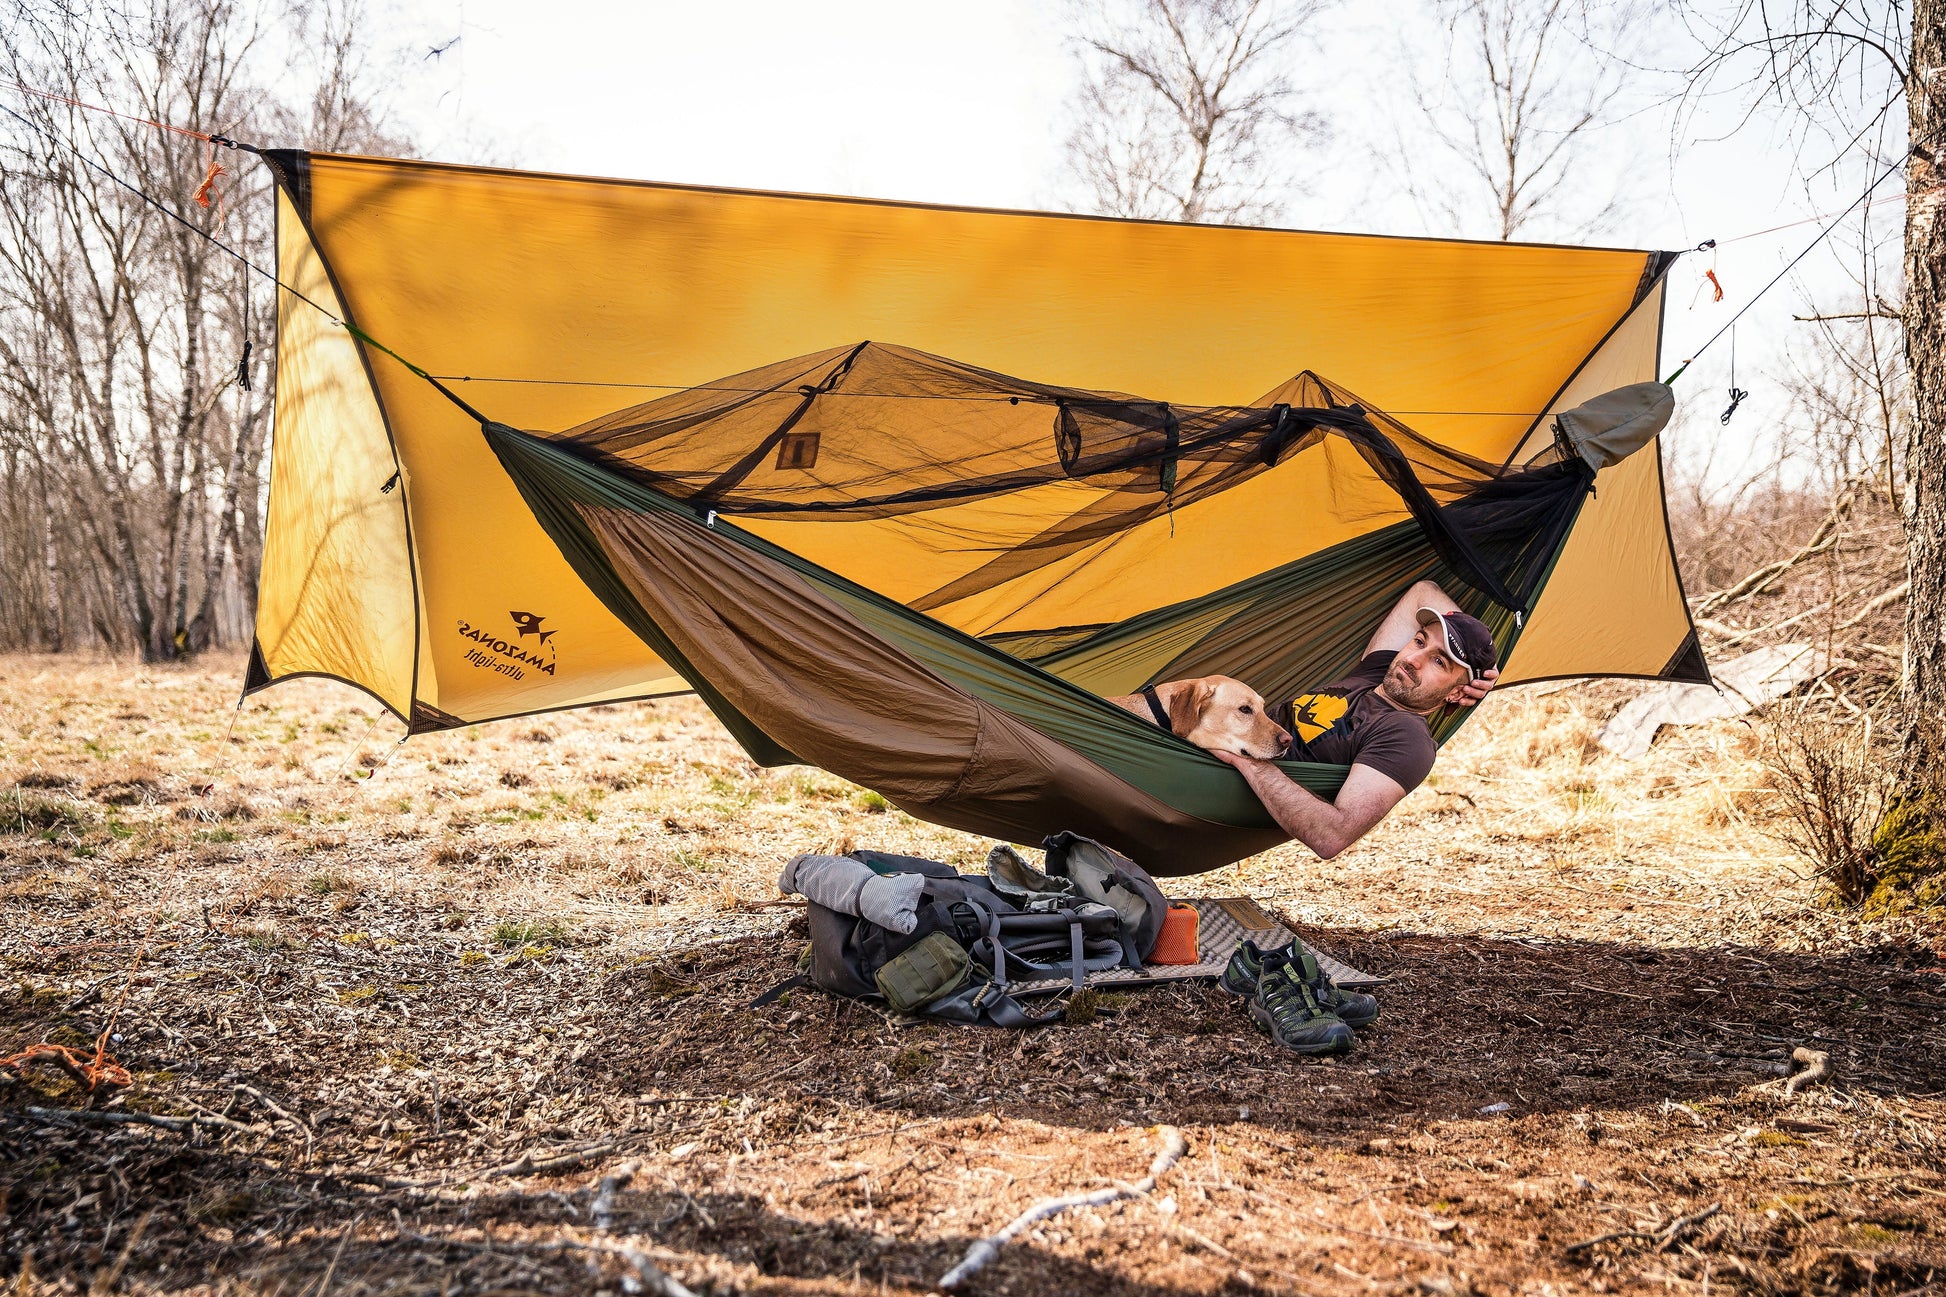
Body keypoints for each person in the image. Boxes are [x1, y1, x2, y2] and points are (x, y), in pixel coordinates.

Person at [1209, 578, 1499, 860]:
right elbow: (1424, 591)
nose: (1414, 659)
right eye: (1419, 641)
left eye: (1439, 661)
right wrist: (1486, 663)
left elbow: (1332, 836)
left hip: (1222, 780)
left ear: (1457, 692)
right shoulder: (1380, 671)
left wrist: (1246, 761)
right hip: (1218, 739)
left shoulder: (1405, 736)